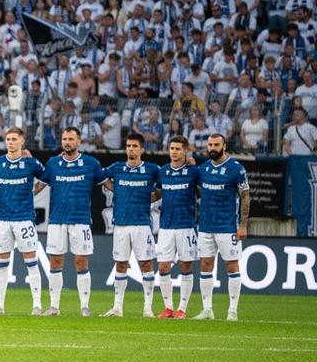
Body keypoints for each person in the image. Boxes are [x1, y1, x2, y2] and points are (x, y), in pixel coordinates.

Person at [36, 127, 108, 317]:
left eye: (71, 139)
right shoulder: (53, 163)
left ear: (79, 141)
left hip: (81, 220)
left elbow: (107, 184)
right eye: (64, 138)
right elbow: (38, 186)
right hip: (57, 220)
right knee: (55, 262)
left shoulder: (90, 163)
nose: (67, 142)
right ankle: (54, 307)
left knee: (81, 262)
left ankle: (84, 306)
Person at [0, 127, 47, 315]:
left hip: (24, 219)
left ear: (21, 142)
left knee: (31, 262)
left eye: (14, 139)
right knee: (1, 263)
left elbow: (46, 177)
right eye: (8, 139)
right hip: (2, 219)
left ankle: (37, 306)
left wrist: (34, 191)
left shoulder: (30, 163)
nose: (10, 142)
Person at [100, 134, 161, 318]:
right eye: (128, 146)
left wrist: (150, 198)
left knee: (146, 264)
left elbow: (161, 189)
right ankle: (117, 308)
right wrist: (114, 189)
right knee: (120, 264)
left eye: (135, 146)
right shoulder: (117, 168)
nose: (131, 149)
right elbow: (101, 177)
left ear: (142, 149)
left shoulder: (152, 169)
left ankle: (148, 308)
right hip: (121, 225)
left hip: (142, 224)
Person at [194, 134, 250, 321]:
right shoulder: (203, 169)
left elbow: (245, 197)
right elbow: (198, 191)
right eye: (210, 144)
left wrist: (242, 225)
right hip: (206, 226)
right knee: (205, 265)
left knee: (232, 266)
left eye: (216, 144)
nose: (212, 148)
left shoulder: (236, 169)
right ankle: (207, 309)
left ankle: (232, 311)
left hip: (227, 226)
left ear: (224, 146)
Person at [155, 136, 200, 319]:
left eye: (178, 149)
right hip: (166, 226)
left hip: (186, 225)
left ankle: (182, 309)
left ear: (185, 151)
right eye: (171, 148)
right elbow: (157, 193)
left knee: (185, 266)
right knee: (163, 266)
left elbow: (200, 192)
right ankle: (168, 308)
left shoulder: (194, 171)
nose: (174, 151)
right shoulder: (163, 171)